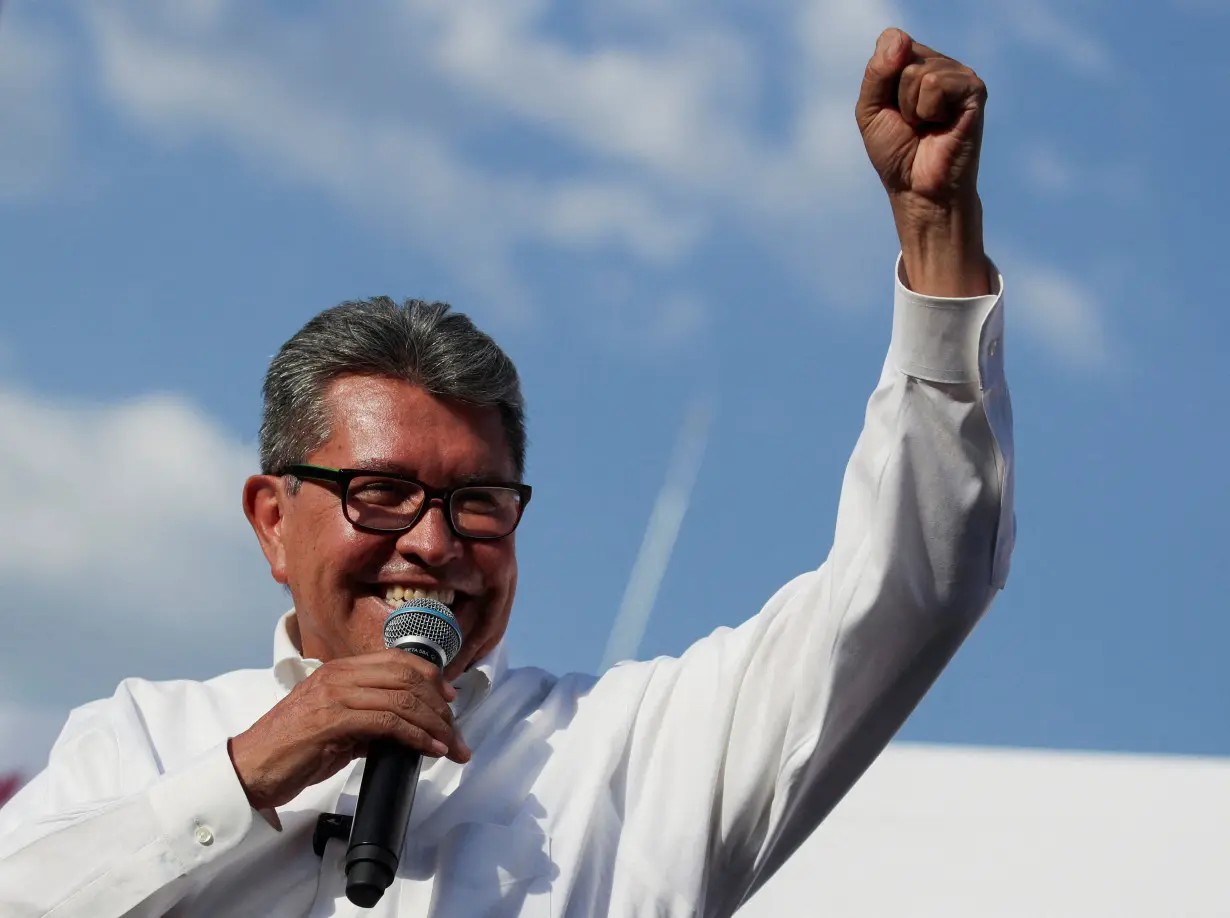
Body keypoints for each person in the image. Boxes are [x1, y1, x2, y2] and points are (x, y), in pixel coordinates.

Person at [0, 27, 1014, 917]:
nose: (434, 544)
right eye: (382, 493)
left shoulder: (624, 756)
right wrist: (251, 773)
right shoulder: (144, 739)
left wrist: (936, 236)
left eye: (476, 502)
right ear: (272, 518)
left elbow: (915, 585)